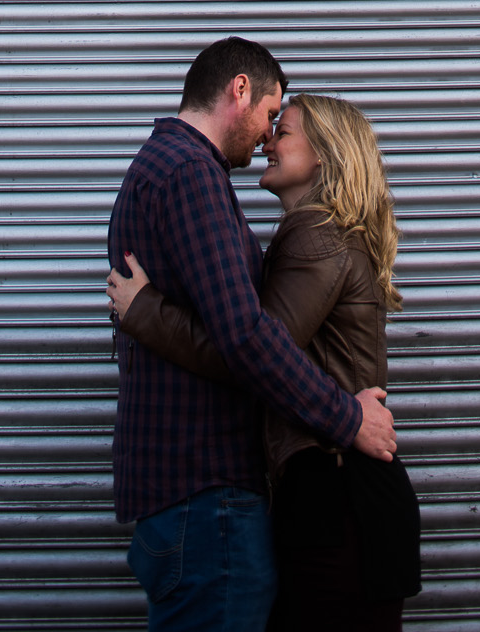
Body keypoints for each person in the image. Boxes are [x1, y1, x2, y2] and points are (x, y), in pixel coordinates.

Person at [107, 37, 398, 632]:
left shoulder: (175, 170)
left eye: (280, 128)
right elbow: (247, 337)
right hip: (205, 491)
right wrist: (347, 418)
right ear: (239, 90)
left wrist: (147, 313)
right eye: (271, 114)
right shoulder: (192, 173)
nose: (267, 135)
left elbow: (251, 337)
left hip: (212, 496)